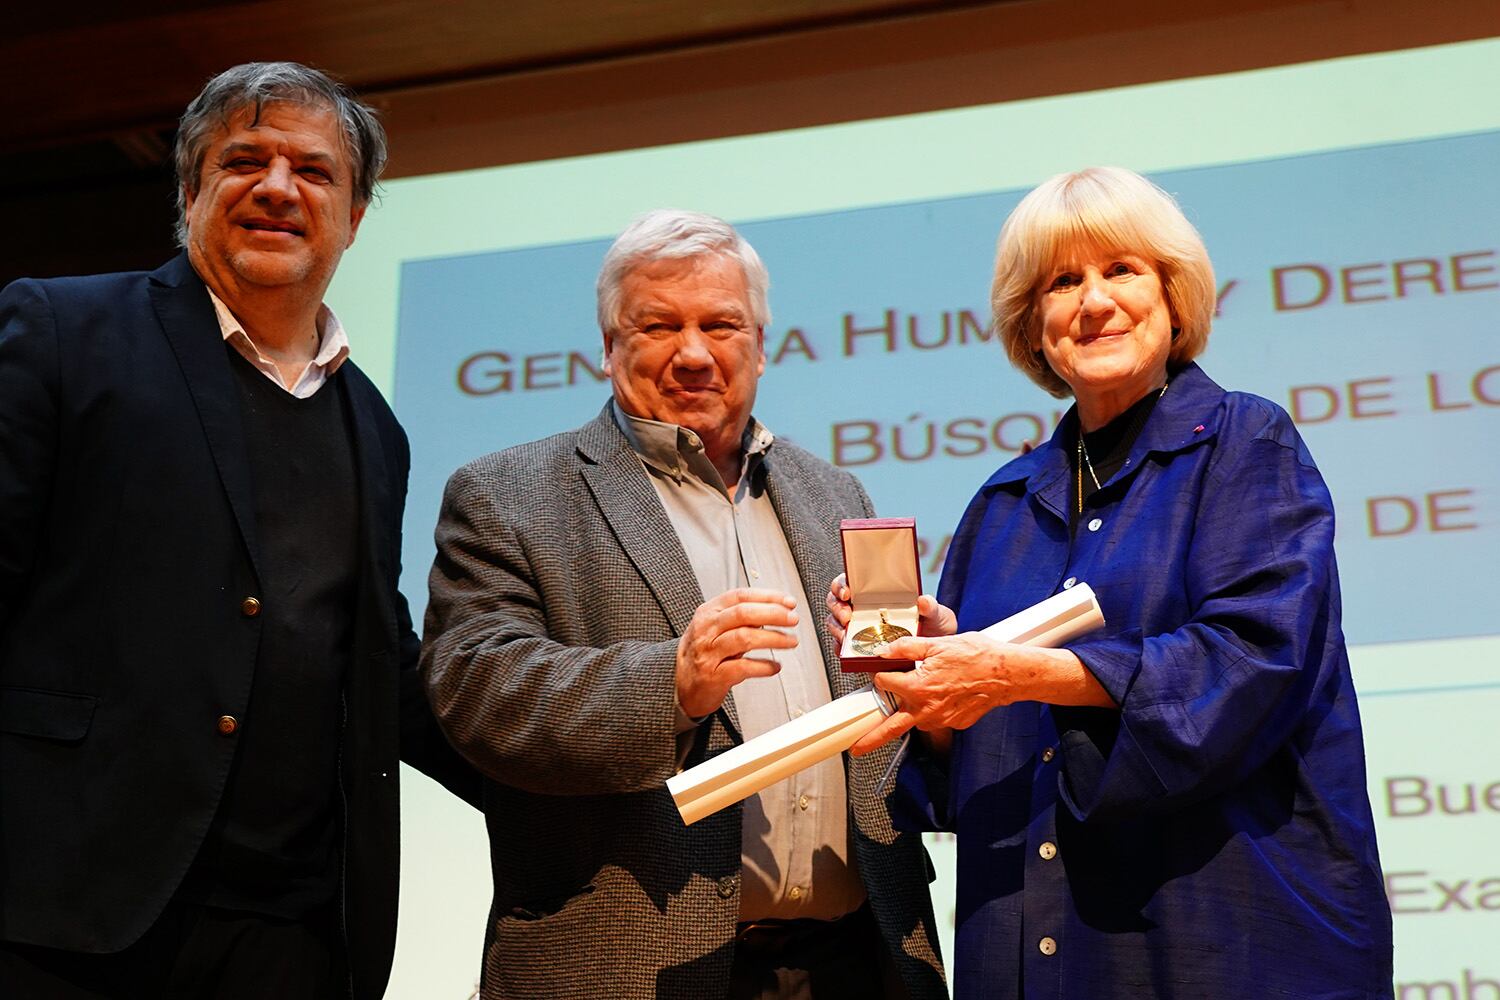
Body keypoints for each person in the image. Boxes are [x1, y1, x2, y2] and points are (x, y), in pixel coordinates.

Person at [828, 167, 1393, 999]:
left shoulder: (1245, 443)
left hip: (1221, 936)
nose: (1093, 302)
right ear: (1034, 325)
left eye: (1120, 270)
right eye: (1062, 282)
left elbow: (1252, 662)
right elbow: (971, 783)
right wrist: (939, 695)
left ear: (1172, 296)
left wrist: (1017, 674)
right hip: (1034, 947)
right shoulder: (1005, 503)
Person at [0, 62, 478, 998]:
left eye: (313, 170)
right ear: (189, 192)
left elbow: (379, 670)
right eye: (244, 161)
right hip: (65, 910)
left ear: (357, 215)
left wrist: (584, 770)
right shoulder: (62, 330)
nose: (276, 187)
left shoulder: (375, 426)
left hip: (292, 930)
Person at [422, 209, 946, 999]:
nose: (694, 353)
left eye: (721, 324)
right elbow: (479, 691)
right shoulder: (507, 495)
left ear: (764, 345)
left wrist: (929, 678)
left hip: (858, 961)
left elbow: (874, 718)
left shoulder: (833, 491)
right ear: (608, 348)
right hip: (636, 968)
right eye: (658, 325)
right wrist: (671, 682)